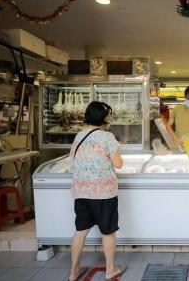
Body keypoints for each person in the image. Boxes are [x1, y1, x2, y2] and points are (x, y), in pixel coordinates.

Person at [68, 101, 127, 281]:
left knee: (80, 230)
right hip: (103, 192)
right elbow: (118, 164)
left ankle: (73, 272)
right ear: (103, 118)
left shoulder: (79, 136)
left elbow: (72, 160)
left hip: (82, 191)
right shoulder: (107, 137)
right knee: (108, 231)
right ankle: (110, 270)